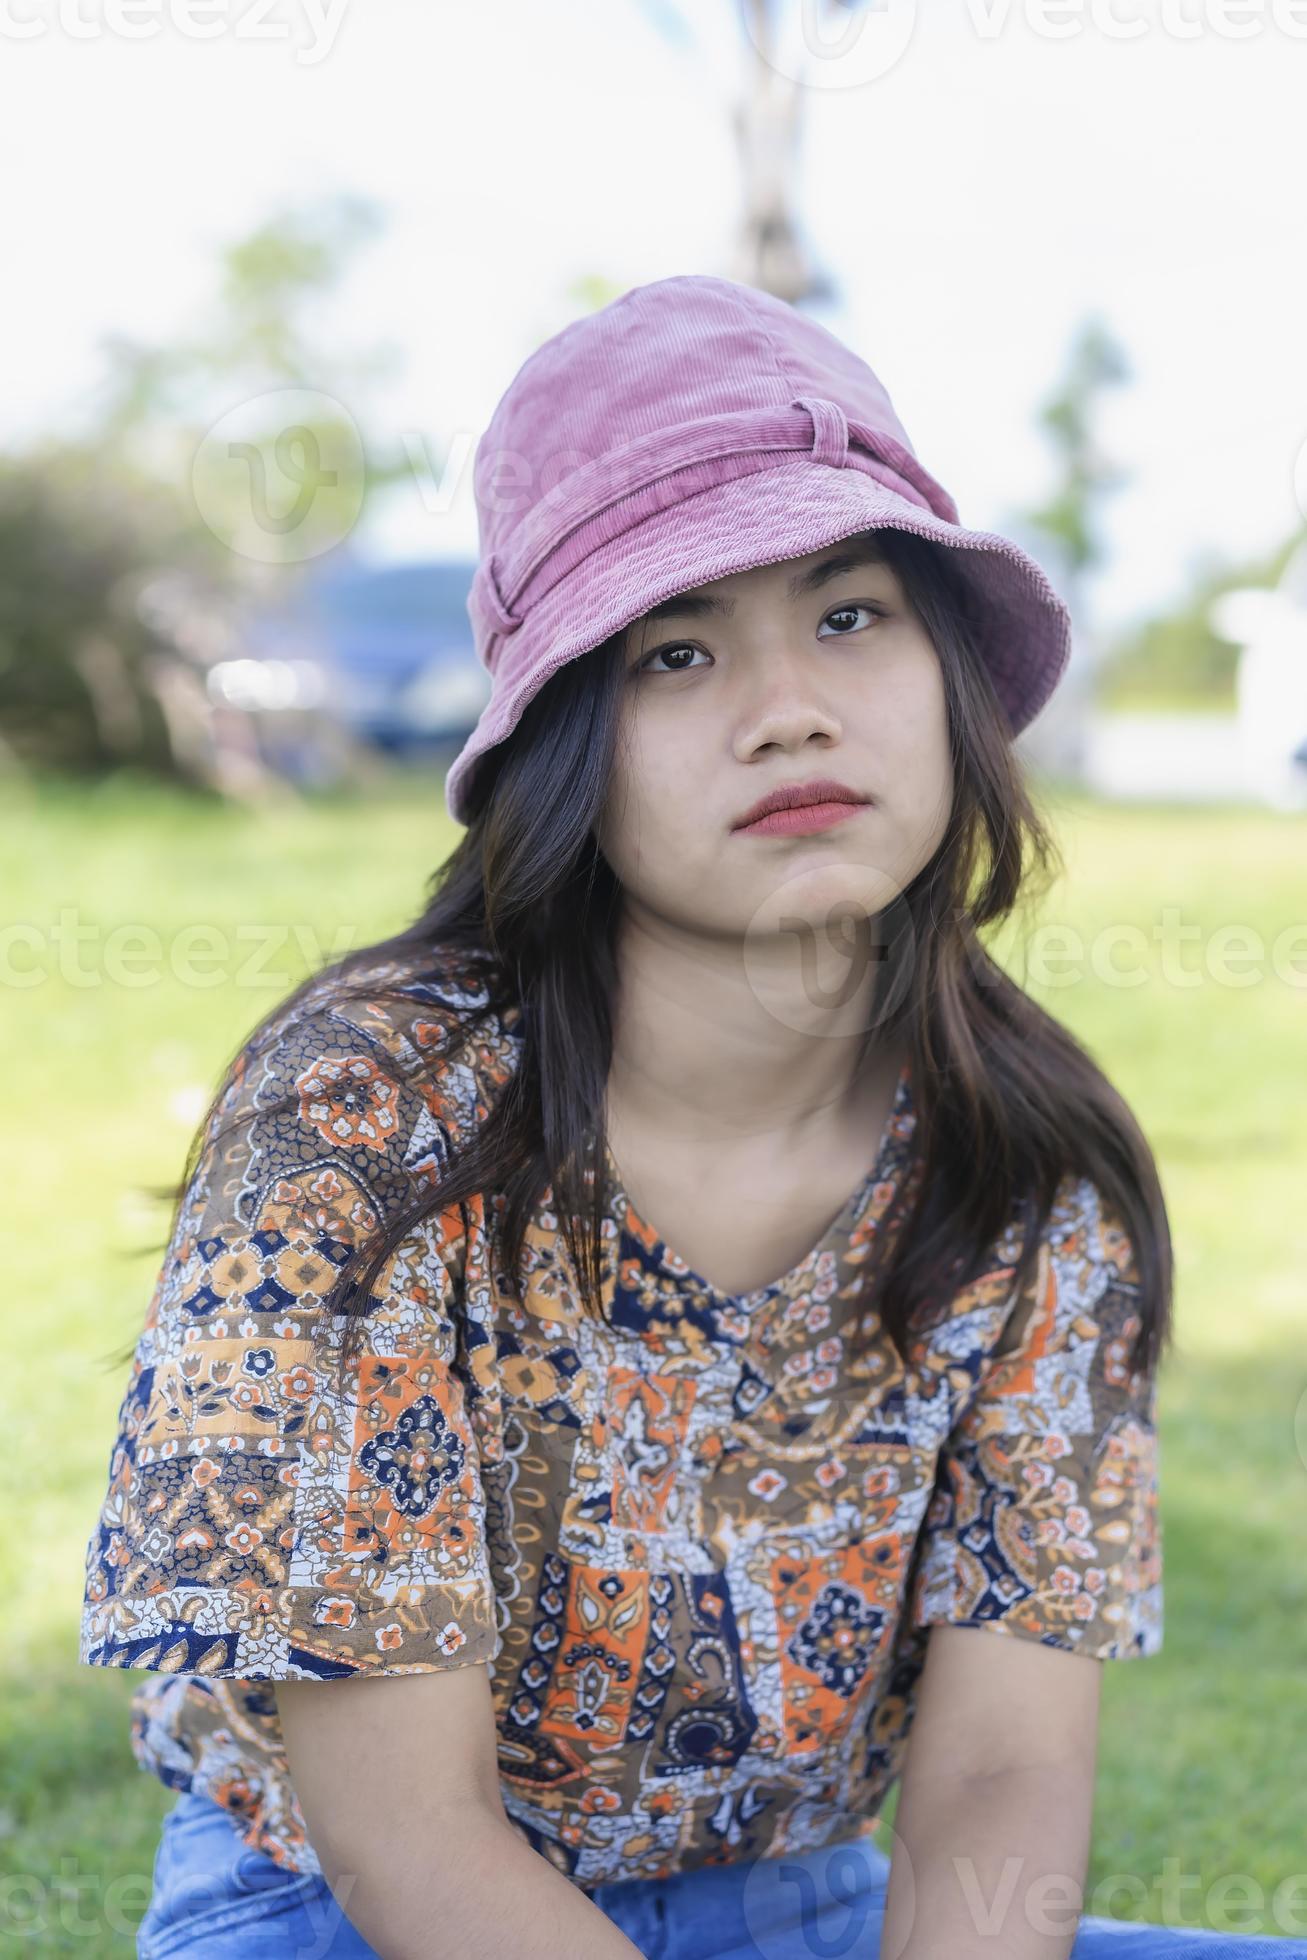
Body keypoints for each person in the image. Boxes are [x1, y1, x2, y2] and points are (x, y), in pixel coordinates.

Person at [79, 276, 1299, 1958]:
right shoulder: (370, 1126)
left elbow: (1005, 1774)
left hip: (801, 1908)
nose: (789, 703)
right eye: (679, 648)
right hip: (351, 1916)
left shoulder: (1032, 1167)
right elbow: (407, 1840)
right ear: (567, 736)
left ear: (946, 671)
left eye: (851, 615)